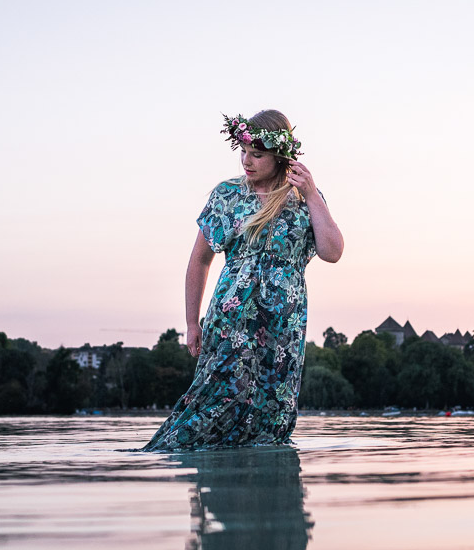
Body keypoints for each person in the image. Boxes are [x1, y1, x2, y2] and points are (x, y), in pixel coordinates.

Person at [143, 111, 343, 451]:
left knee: (274, 405)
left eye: (257, 154)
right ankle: (201, 490)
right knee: (217, 393)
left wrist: (311, 195)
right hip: (231, 318)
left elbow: (333, 251)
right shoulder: (227, 195)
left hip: (284, 324)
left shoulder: (304, 197)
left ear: (279, 155)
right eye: (243, 151)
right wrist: (192, 323)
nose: (246, 161)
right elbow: (200, 260)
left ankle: (269, 496)